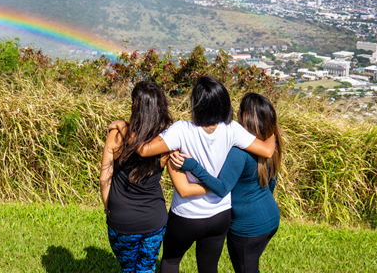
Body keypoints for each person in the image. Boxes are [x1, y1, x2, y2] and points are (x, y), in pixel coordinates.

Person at [135, 76, 277, 273]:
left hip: (187, 215)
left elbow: (143, 150)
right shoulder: (232, 129)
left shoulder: (181, 130)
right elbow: (267, 151)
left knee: (171, 261)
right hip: (220, 215)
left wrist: (123, 128)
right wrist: (272, 130)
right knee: (209, 267)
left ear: (196, 104)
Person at [170, 92, 283, 273]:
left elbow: (222, 188)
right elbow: (272, 181)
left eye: (239, 110)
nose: (236, 113)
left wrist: (193, 166)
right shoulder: (270, 145)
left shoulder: (239, 153)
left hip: (247, 228)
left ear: (245, 117)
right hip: (271, 217)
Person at [100, 81, 173, 273]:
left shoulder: (117, 135)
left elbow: (104, 179)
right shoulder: (165, 141)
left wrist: (108, 207)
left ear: (134, 105)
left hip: (122, 219)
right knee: (146, 268)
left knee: (128, 268)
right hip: (154, 219)